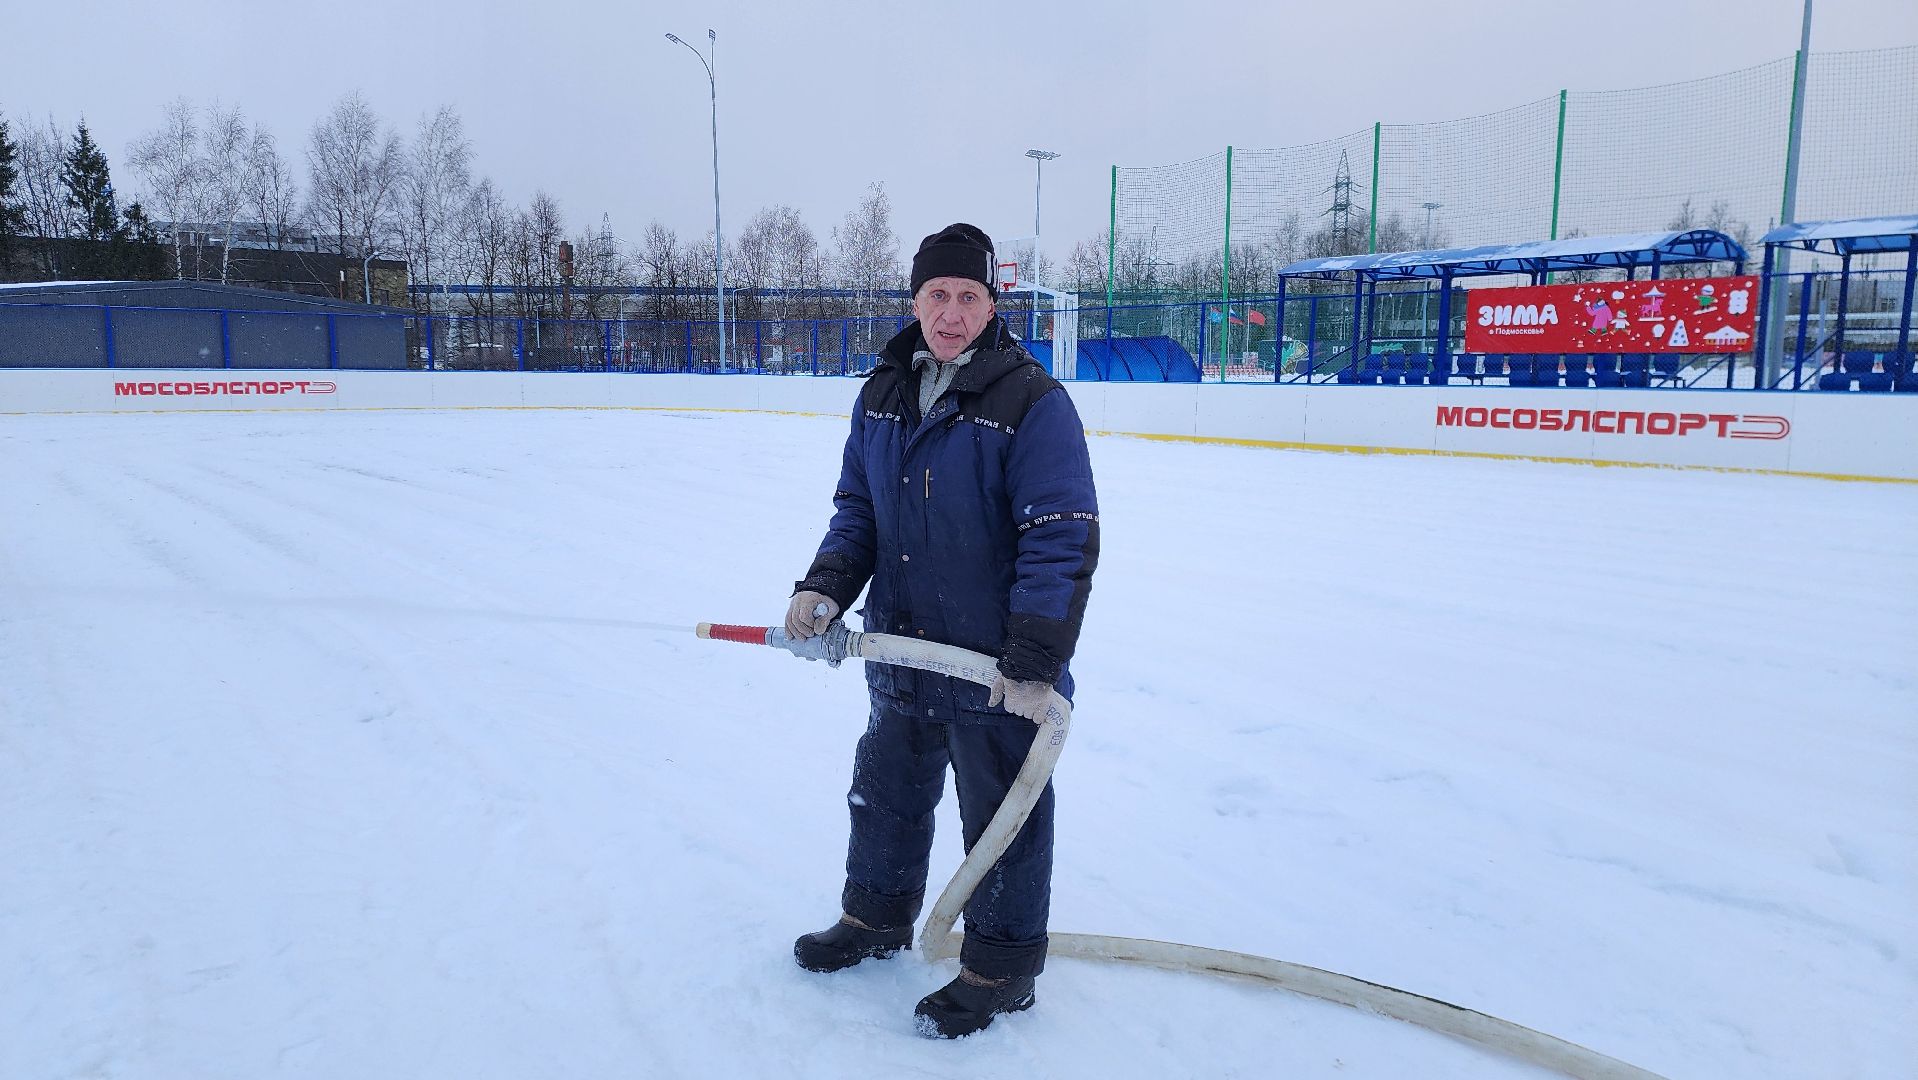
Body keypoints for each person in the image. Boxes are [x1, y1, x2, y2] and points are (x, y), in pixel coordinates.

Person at [784, 223, 1099, 1038]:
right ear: (915, 299)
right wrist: (825, 589)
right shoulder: (884, 391)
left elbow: (1061, 533)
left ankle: (1000, 968)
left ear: (992, 304)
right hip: (902, 647)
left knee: (1001, 814)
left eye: (968, 296)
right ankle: (876, 919)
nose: (951, 312)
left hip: (994, 665)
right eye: (937, 295)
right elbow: (859, 511)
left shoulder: (1031, 400)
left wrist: (1034, 658)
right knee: (886, 794)